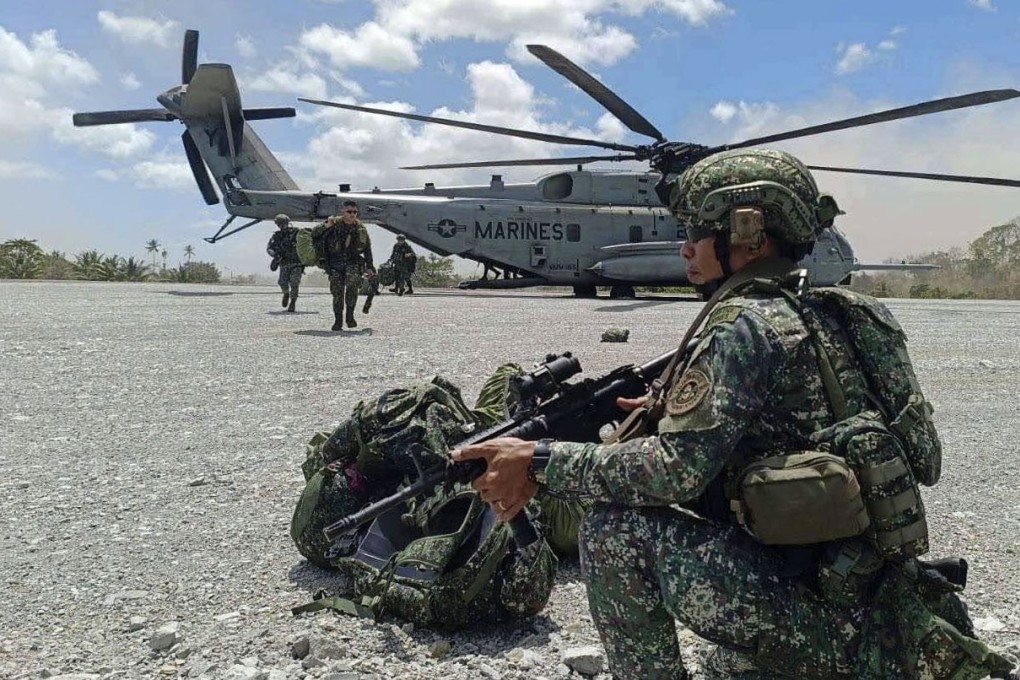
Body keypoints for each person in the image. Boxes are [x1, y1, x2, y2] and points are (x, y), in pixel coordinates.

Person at [451, 149, 1013, 680]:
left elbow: (673, 473)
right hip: (876, 593)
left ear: (747, 233)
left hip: (825, 616)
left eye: (697, 234)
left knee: (613, 528)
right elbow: (925, 459)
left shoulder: (741, 325)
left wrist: (540, 460)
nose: (685, 249)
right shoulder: (853, 315)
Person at [311, 200, 374, 331]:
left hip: (353, 263)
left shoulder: (360, 228)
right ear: (343, 211)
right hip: (334, 263)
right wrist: (326, 226)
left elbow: (367, 248)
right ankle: (338, 320)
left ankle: (349, 316)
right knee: (337, 293)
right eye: (349, 211)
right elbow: (314, 233)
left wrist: (370, 266)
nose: (352, 214)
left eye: (355, 212)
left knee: (352, 288)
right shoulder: (333, 223)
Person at [266, 214, 303, 312]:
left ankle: (293, 303)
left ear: (288, 223)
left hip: (297, 263)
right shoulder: (276, 236)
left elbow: (306, 243)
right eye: (279, 224)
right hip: (284, 263)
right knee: (282, 282)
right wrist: (275, 255)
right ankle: (286, 293)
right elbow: (269, 248)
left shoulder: (296, 232)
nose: (282, 226)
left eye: (283, 223)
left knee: (294, 282)